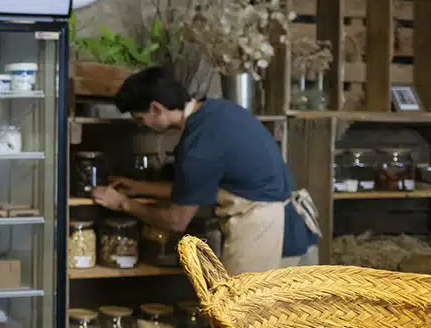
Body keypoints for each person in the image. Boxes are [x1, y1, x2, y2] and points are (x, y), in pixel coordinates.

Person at [91, 67, 321, 275]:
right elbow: (194, 188)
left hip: (265, 231)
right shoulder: (218, 110)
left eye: (141, 119)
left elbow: (176, 220)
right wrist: (140, 188)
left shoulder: (198, 145)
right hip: (294, 226)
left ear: (156, 108)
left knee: (241, 317)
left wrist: (123, 204)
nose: (143, 126)